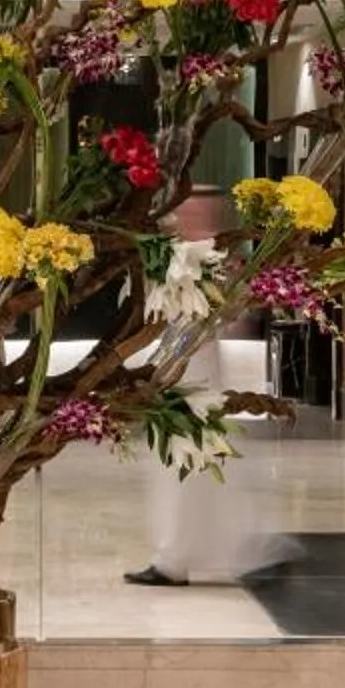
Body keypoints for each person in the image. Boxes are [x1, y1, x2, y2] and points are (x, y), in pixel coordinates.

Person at [126, 187, 299, 590]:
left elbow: (223, 312)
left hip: (194, 365)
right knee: (184, 463)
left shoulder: (214, 255)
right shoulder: (172, 248)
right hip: (176, 358)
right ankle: (185, 553)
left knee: (192, 460)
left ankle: (182, 557)